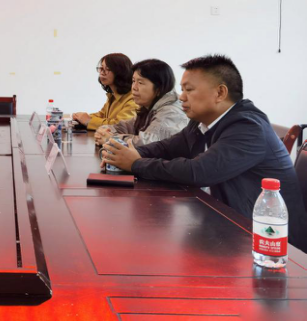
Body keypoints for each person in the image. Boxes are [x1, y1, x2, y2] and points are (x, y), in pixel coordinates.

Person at [101, 54, 307, 250]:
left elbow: (199, 171)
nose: (181, 97)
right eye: (182, 89)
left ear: (220, 93)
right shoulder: (201, 122)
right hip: (225, 225)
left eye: (189, 90)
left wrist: (135, 163)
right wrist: (125, 153)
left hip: (270, 243)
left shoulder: (248, 127)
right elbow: (166, 148)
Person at [94, 59, 188, 147]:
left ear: (159, 88)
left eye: (140, 83)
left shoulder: (171, 112)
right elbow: (125, 126)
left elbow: (148, 144)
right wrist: (104, 131)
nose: (134, 87)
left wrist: (111, 139)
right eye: (133, 81)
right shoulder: (149, 107)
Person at [73, 53, 138, 131]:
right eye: (101, 68)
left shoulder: (133, 99)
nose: (102, 73)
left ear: (121, 72)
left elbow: (120, 126)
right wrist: (80, 117)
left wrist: (88, 121)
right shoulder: (113, 95)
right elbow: (101, 115)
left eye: (107, 69)